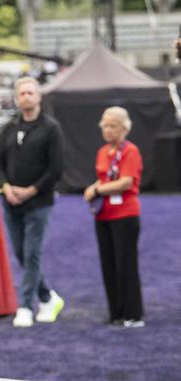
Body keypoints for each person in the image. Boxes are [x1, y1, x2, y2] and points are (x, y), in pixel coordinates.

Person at [0, 77, 66, 328]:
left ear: (38, 96)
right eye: (21, 93)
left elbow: (56, 167)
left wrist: (32, 190)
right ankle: (47, 297)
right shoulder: (9, 127)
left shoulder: (51, 128)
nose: (26, 97)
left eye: (30, 92)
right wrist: (6, 187)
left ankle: (25, 305)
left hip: (40, 202)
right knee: (21, 253)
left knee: (32, 253)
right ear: (17, 97)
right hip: (11, 202)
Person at [83, 107, 144, 328]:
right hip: (103, 215)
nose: (107, 130)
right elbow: (103, 178)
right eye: (105, 125)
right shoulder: (102, 152)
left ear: (124, 128)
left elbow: (126, 182)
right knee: (108, 263)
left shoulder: (131, 151)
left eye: (112, 126)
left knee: (126, 263)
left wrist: (98, 191)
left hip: (125, 214)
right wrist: (92, 188)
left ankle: (133, 314)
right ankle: (116, 312)